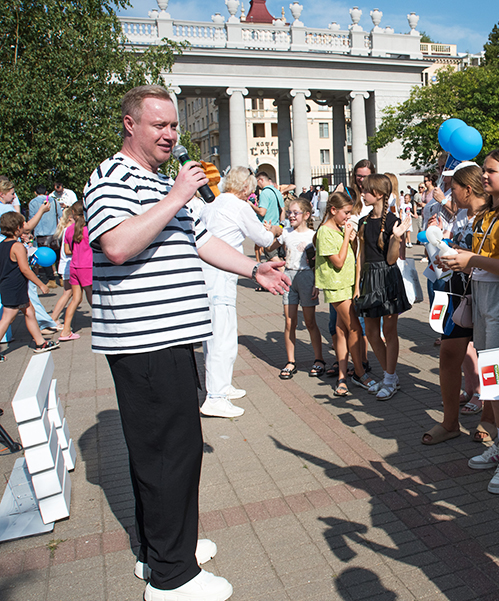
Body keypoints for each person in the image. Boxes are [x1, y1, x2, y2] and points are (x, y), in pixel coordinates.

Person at [84, 84, 289, 601]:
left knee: (172, 450)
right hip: (143, 338)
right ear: (130, 125)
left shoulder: (158, 180)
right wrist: (175, 195)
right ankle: (172, 579)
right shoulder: (114, 176)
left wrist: (253, 269)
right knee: (165, 453)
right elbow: (115, 245)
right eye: (160, 126)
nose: (171, 135)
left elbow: (202, 239)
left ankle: (166, 548)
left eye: (174, 126)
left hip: (173, 337)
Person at [443, 148, 499, 494]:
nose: (484, 176)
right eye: (483, 170)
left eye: (491, 170)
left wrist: (472, 259)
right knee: (493, 377)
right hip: (482, 295)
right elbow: (481, 260)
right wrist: (459, 261)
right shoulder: (488, 214)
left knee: (498, 376)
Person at [196, 166, 277, 418]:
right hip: (220, 276)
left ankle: (222, 385)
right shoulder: (240, 207)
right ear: (246, 188)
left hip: (211, 275)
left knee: (219, 335)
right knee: (222, 335)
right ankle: (215, 396)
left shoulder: (215, 203)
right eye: (252, 189)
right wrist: (274, 230)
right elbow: (263, 238)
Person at [421, 164, 487, 444]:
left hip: (487, 295)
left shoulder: (491, 217)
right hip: (458, 295)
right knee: (449, 355)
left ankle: (491, 420)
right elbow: (454, 248)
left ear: (467, 189)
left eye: (454, 188)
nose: (450, 194)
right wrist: (445, 256)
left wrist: (464, 258)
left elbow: (498, 257)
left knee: (490, 361)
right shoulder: (459, 216)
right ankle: (450, 422)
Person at [315, 191, 379, 397]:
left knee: (341, 330)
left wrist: (350, 239)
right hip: (337, 286)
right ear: (333, 210)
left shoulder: (339, 229)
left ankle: (342, 376)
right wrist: (346, 240)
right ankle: (359, 373)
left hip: (347, 284)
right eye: (345, 213)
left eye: (350, 213)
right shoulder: (325, 231)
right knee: (354, 329)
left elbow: (349, 255)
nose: (348, 217)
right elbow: (339, 261)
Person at [354, 174, 412, 400]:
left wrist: (396, 239)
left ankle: (389, 378)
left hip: (387, 278)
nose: (363, 194)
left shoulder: (392, 222)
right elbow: (361, 255)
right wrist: (358, 284)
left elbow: (390, 260)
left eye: (366, 191)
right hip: (369, 279)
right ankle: (391, 376)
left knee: (389, 331)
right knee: (370, 331)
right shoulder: (364, 221)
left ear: (378, 194)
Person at [268, 197, 325, 380]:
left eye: (295, 212)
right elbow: (269, 247)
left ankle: (319, 359)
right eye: (289, 212)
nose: (291, 216)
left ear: (306, 215)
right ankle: (291, 361)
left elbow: (319, 261)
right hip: (289, 277)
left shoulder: (313, 235)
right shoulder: (286, 233)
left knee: (309, 322)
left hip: (307, 277)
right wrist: (269, 233)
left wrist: (317, 282)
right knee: (289, 322)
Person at [0, 212, 59, 360]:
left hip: (10, 285)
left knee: (29, 311)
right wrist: (41, 284)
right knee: (8, 318)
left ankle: (40, 343)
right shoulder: (17, 246)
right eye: (22, 225)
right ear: (17, 229)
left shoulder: (3, 245)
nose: (25, 228)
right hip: (14, 287)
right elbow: (25, 269)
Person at [57, 201, 92, 341]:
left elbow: (67, 250)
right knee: (92, 296)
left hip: (74, 266)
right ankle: (103, 321)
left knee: (76, 299)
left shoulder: (69, 230)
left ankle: (66, 330)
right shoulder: (89, 229)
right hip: (87, 266)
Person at [28, 185, 63, 286]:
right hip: (55, 233)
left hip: (41, 234)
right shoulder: (55, 201)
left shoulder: (33, 202)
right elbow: (60, 216)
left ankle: (51, 280)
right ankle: (61, 278)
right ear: (47, 192)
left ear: (35, 192)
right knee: (57, 256)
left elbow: (32, 218)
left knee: (45, 257)